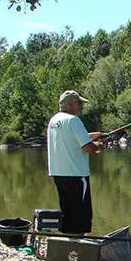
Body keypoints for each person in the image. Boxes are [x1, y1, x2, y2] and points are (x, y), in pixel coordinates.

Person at [47, 90, 106, 235]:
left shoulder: (54, 121)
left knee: (67, 212)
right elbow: (87, 147)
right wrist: (98, 146)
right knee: (81, 214)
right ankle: (79, 247)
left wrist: (95, 135)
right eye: (79, 103)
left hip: (58, 174)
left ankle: (68, 244)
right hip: (76, 175)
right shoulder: (73, 120)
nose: (80, 107)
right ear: (70, 104)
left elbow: (74, 138)